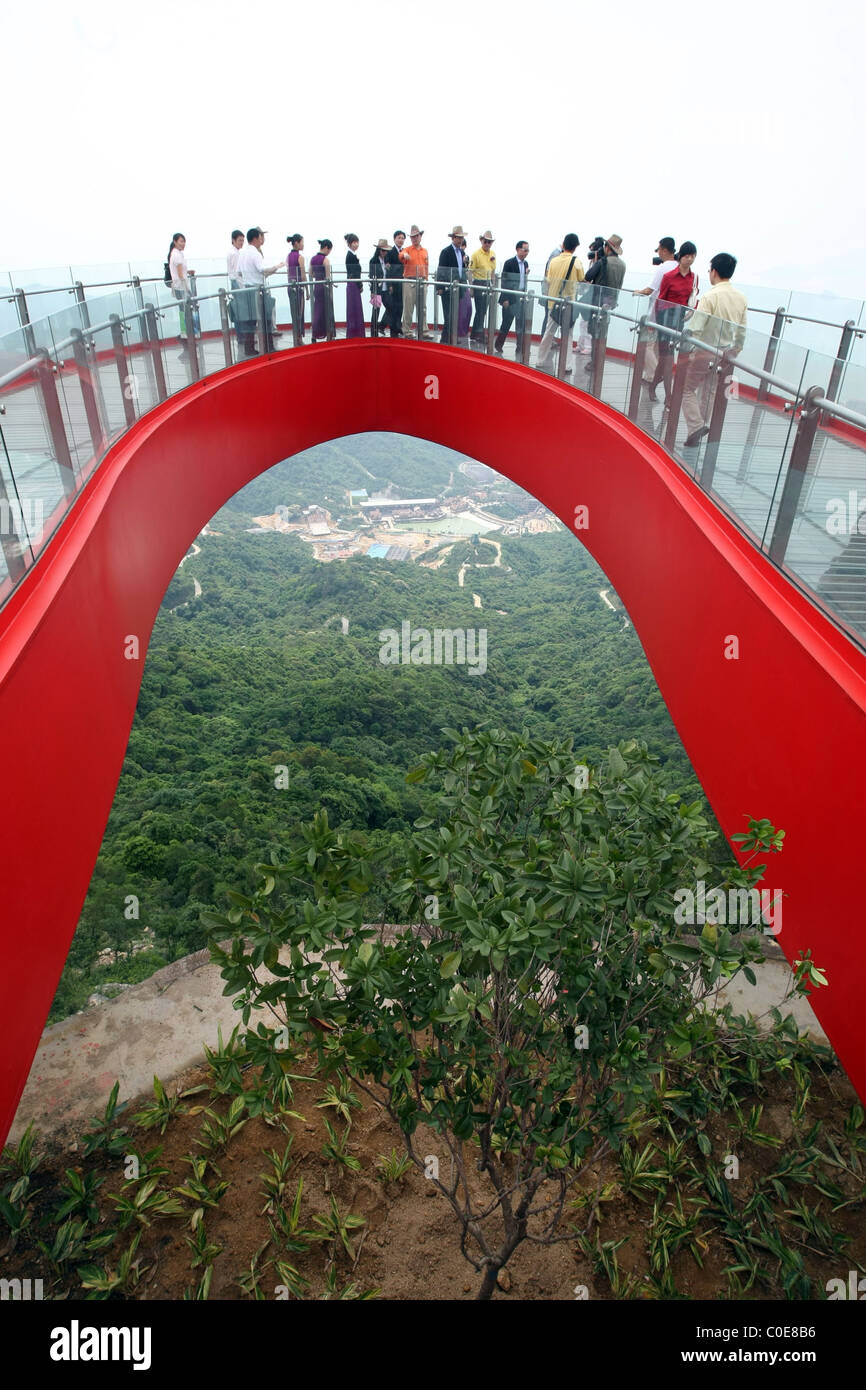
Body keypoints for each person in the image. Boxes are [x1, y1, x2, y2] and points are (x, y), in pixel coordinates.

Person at [680, 252, 748, 447]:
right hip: (725, 352)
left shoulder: (711, 296)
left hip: (704, 349)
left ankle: (696, 426)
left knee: (687, 389)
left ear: (715, 272)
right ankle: (699, 427)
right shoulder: (740, 298)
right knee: (709, 391)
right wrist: (737, 349)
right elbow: (742, 329)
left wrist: (687, 345)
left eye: (710, 270)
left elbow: (696, 327)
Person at [649, 242, 697, 402]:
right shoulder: (669, 276)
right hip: (665, 320)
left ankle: (652, 386)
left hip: (679, 321)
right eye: (687, 256)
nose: (689, 259)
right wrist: (655, 323)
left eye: (693, 256)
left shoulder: (693, 278)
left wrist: (690, 311)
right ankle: (669, 397)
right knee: (667, 359)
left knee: (665, 359)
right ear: (680, 256)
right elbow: (660, 300)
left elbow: (693, 299)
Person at [537, 233, 584, 374]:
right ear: (575, 247)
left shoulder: (554, 261)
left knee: (548, 332)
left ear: (563, 244)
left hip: (554, 303)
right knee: (568, 335)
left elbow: (549, 279)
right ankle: (567, 365)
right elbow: (582, 278)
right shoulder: (577, 262)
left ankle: (540, 360)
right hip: (569, 305)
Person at [632, 236, 677, 385]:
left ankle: (654, 373)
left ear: (664, 250)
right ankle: (652, 374)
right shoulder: (678, 267)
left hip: (657, 312)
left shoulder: (663, 268)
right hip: (671, 314)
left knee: (646, 345)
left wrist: (637, 292)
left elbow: (649, 290)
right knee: (659, 346)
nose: (658, 253)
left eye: (659, 250)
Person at [236, 227, 283, 357]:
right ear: (256, 238)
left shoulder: (243, 253)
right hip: (258, 289)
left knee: (249, 321)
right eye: (260, 237)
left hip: (247, 288)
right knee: (266, 318)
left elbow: (239, 272)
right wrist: (277, 267)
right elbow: (263, 270)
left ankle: (249, 348)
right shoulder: (255, 253)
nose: (262, 239)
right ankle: (269, 346)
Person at [582, 234, 625, 371]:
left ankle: (594, 362)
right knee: (603, 332)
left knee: (595, 332)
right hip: (611, 302)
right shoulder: (622, 265)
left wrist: (596, 261)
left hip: (598, 302)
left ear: (607, 247)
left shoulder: (603, 262)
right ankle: (599, 361)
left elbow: (588, 276)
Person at [494, 241, 530, 356]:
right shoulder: (509, 263)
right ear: (518, 249)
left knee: (521, 324)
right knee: (506, 323)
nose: (526, 252)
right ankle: (498, 345)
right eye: (525, 250)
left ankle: (520, 347)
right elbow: (504, 282)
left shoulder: (525, 264)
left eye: (527, 250)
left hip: (520, 297)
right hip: (510, 297)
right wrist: (505, 299)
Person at [437, 225, 469, 343]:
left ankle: (448, 338)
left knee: (454, 314)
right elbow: (441, 269)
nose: (460, 240)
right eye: (458, 238)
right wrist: (440, 287)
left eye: (461, 238)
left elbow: (462, 269)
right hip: (448, 288)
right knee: (448, 315)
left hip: (458, 288)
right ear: (453, 238)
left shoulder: (461, 252)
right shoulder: (446, 252)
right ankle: (447, 338)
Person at [168, 232, 195, 360]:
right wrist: (187, 290)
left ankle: (185, 340)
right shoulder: (177, 255)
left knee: (183, 314)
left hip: (179, 287)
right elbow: (180, 275)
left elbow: (180, 271)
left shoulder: (176, 254)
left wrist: (187, 272)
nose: (183, 244)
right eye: (181, 241)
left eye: (184, 241)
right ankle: (184, 340)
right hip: (181, 288)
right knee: (185, 315)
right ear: (175, 241)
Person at [401, 225, 429, 336]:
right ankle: (407, 330)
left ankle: (424, 330)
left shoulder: (425, 251)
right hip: (409, 281)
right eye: (412, 237)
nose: (415, 238)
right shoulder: (407, 249)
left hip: (422, 281)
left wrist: (426, 279)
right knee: (408, 307)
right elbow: (401, 255)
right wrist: (404, 255)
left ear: (420, 236)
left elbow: (426, 265)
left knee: (423, 308)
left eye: (416, 236)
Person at [469, 231, 497, 343]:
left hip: (487, 283)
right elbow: (470, 272)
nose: (487, 244)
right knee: (480, 310)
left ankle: (475, 333)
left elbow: (493, 271)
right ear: (481, 241)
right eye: (485, 241)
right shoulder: (475, 254)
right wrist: (471, 287)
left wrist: (493, 284)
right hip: (478, 283)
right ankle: (479, 334)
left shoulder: (492, 254)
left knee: (483, 310)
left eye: (489, 242)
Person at [382, 231, 406, 337]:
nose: (401, 240)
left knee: (400, 306)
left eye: (402, 238)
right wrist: (390, 285)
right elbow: (388, 270)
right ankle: (393, 329)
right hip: (394, 284)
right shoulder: (390, 252)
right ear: (394, 239)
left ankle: (398, 327)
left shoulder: (405, 252)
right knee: (393, 307)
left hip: (403, 283)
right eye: (399, 238)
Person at [310, 240, 333, 343]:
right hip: (324, 287)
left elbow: (311, 274)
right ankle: (328, 335)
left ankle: (314, 334)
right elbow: (328, 277)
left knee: (317, 311)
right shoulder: (325, 260)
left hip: (316, 286)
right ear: (327, 248)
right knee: (327, 310)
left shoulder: (313, 259)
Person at [286, 234, 308, 342]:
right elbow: (303, 275)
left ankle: (296, 336)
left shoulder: (288, 257)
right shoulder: (300, 258)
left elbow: (288, 273)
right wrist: (307, 290)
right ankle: (299, 338)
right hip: (299, 288)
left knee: (293, 313)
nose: (303, 244)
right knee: (300, 312)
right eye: (302, 242)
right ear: (296, 243)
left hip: (290, 287)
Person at [344, 234, 366, 339]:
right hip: (354, 284)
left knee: (354, 307)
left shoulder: (352, 255)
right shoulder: (350, 256)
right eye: (354, 242)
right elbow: (354, 273)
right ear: (349, 244)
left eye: (357, 242)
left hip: (352, 284)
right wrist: (360, 285)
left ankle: (355, 332)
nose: (356, 244)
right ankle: (355, 332)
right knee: (354, 307)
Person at [369, 238, 390, 337]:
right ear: (378, 250)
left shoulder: (386, 260)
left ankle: (381, 326)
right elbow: (372, 276)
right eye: (382, 250)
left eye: (386, 250)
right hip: (377, 289)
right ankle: (374, 331)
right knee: (376, 310)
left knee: (390, 307)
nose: (384, 252)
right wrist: (372, 291)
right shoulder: (373, 261)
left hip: (385, 288)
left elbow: (387, 273)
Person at [458, 237, 473, 341]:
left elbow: (468, 271)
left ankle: (464, 330)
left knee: (468, 308)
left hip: (464, 284)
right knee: (461, 309)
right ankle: (459, 331)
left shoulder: (465, 257)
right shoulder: (457, 255)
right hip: (458, 284)